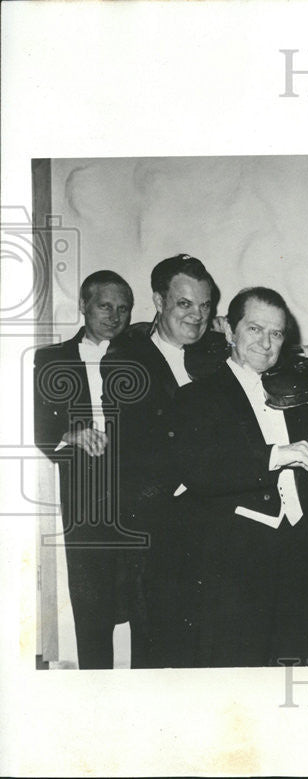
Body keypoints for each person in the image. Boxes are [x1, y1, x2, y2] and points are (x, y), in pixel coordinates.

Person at [171, 287, 308, 666]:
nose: (266, 344)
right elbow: (200, 469)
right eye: (254, 329)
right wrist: (276, 455)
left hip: (302, 560)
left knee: (297, 679)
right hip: (234, 568)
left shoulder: (299, 396)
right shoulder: (198, 396)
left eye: (277, 333)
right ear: (230, 331)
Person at [102, 253, 224, 667]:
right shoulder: (125, 362)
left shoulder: (217, 358)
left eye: (205, 306)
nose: (197, 316)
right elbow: (136, 452)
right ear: (159, 301)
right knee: (160, 656)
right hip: (160, 532)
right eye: (185, 304)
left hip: (217, 528)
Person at [34, 270, 134, 668]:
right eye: (105, 306)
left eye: (123, 308)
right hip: (85, 495)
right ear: (83, 305)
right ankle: (96, 692)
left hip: (137, 492)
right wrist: (69, 435)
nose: (115, 316)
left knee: (144, 603)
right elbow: (35, 423)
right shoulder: (50, 359)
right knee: (91, 605)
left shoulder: (140, 353)